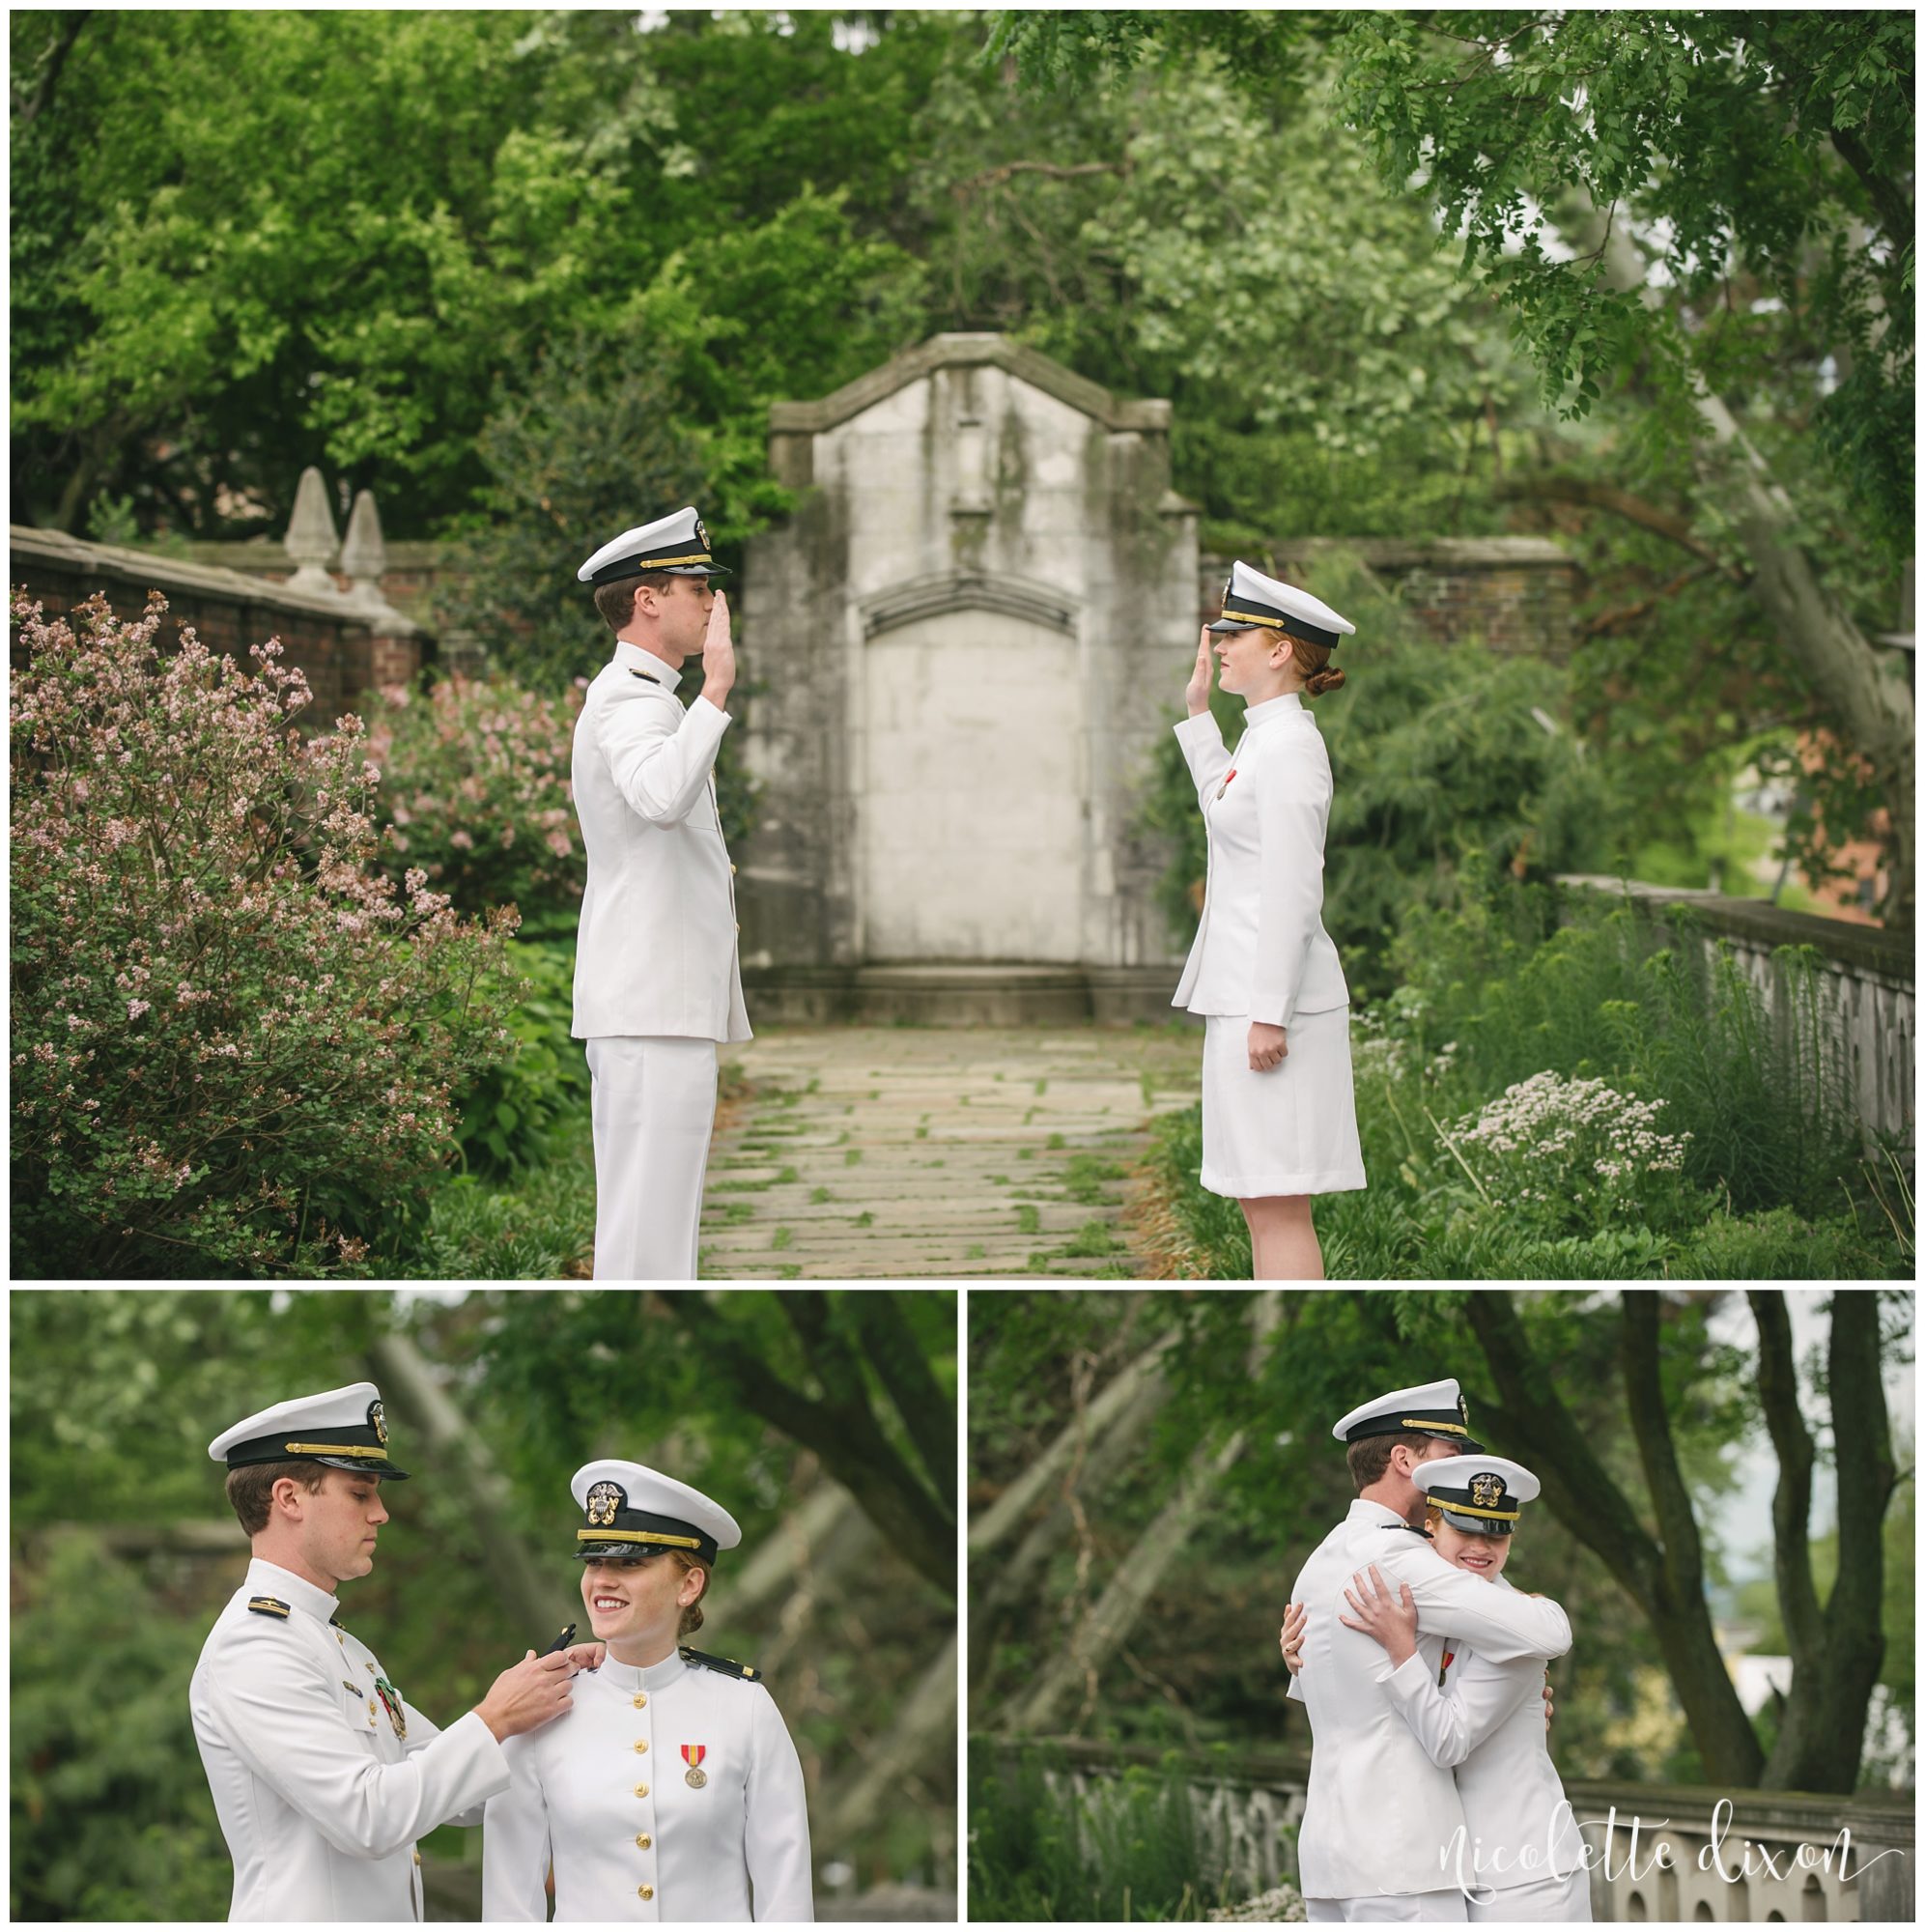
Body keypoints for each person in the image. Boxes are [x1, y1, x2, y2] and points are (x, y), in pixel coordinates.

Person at [190, 1382, 603, 1922]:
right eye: (360, 1494)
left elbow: (464, 1797)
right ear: (289, 1498)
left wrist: (570, 1698)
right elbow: (368, 1819)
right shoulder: (254, 1645)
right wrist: (497, 1715)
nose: (381, 1513)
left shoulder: (343, 1649)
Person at [1281, 1380, 1572, 1923]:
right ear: (1403, 1460)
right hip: (1404, 1851)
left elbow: (1320, 1683)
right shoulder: (1400, 1558)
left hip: (1329, 1854)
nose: (1458, 1468)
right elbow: (1545, 1636)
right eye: (1450, 1453)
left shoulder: (1320, 1560)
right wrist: (1531, 1605)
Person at [483, 1461, 814, 1922]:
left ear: (689, 1584)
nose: (602, 1580)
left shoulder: (744, 1707)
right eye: (594, 1562)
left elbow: (786, 1897)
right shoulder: (541, 1708)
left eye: (630, 1563)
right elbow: (510, 1902)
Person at [1172, 560, 1365, 1280]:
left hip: (1272, 1010)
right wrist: (1199, 716)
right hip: (1248, 1001)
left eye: (1235, 635)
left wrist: (1268, 1016)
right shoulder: (1264, 739)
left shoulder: (1289, 748)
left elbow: (1293, 891)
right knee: (1259, 1203)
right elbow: (1225, 813)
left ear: (1280, 650)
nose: (1219, 646)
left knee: (1277, 1206)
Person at [572, 505, 750, 1280]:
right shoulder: (629, 698)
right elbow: (659, 798)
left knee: (657, 1228)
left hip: (656, 1004)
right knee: (647, 1233)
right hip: (647, 1004)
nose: (711, 603)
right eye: (696, 587)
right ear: (647, 599)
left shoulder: (648, 695)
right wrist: (717, 690)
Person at [1327, 1455, 1590, 1921]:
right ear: (1429, 1528)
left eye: (1497, 1535)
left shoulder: (1520, 1629)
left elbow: (1447, 1741)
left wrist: (1401, 1651)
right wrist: (1297, 1651)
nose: (1480, 1548)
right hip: (1463, 1866)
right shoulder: (1432, 1614)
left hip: (1525, 1871)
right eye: (1464, 1530)